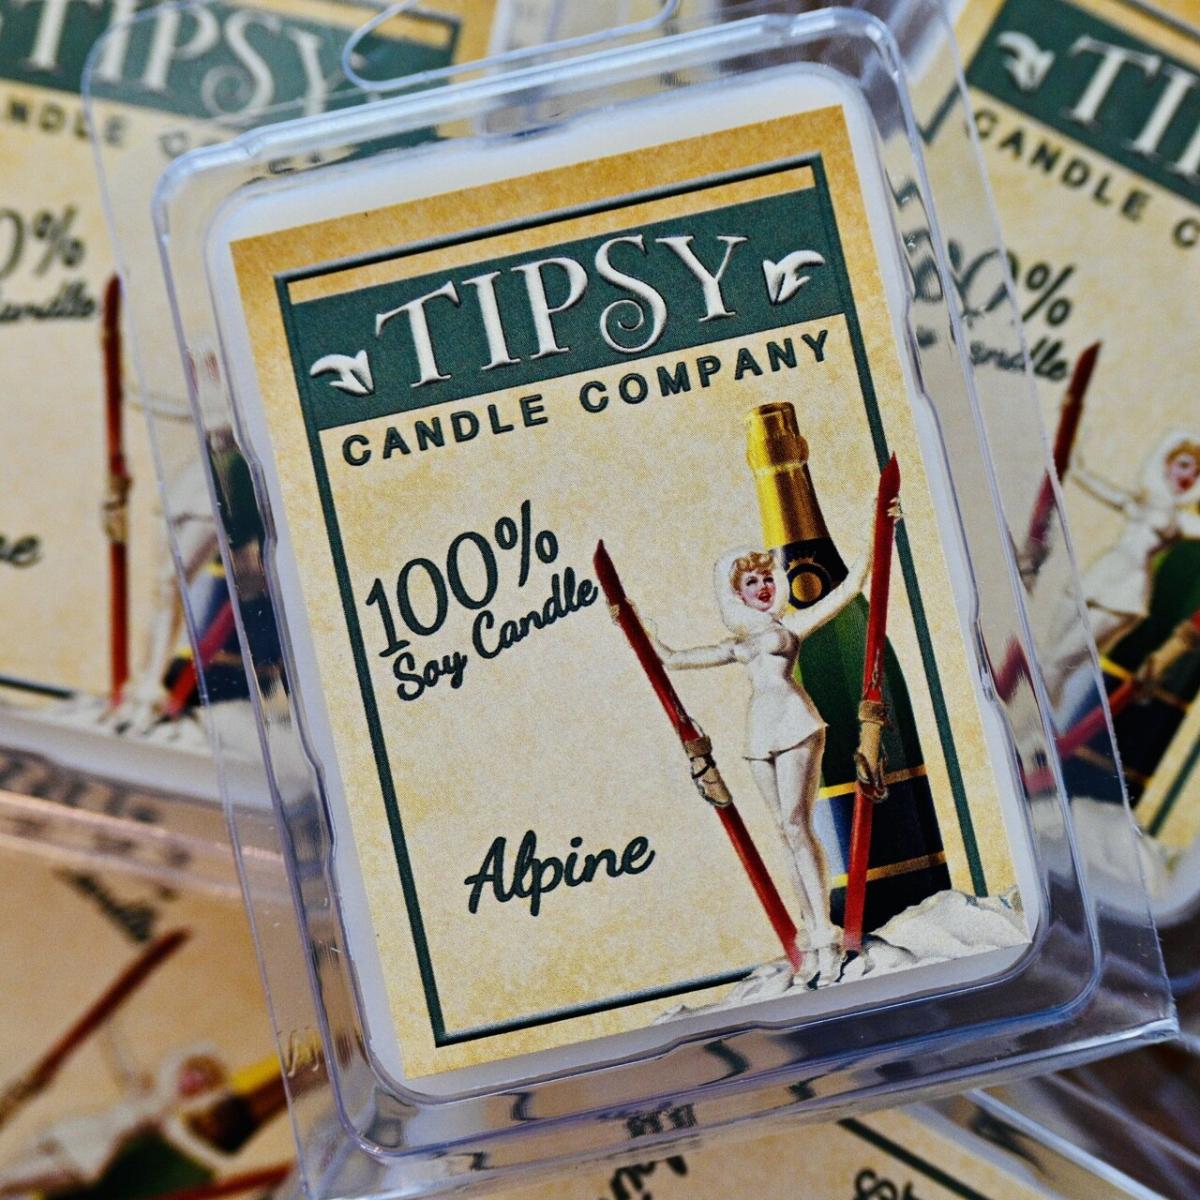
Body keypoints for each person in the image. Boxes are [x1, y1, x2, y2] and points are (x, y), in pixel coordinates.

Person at [649, 502, 897, 986]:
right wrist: (631, 618)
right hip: (760, 732)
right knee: (783, 832)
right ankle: (811, 932)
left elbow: (850, 588)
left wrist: (878, 526)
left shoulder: (790, 627)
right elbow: (672, 660)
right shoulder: (739, 645)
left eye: (767, 578)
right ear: (736, 593)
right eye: (752, 582)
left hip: (796, 723)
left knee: (796, 824)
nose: (763, 587)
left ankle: (825, 935)